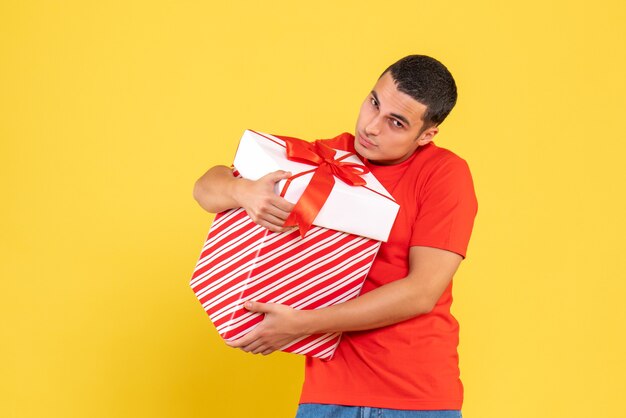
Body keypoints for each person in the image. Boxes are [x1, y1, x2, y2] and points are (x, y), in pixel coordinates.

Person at [193, 55, 478, 418]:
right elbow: (205, 187)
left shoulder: (443, 174)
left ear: (426, 135)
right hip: (327, 390)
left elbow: (422, 292)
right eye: (374, 102)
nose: (372, 127)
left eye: (396, 122)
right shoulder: (329, 159)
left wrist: (301, 325)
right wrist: (244, 192)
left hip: (413, 395)